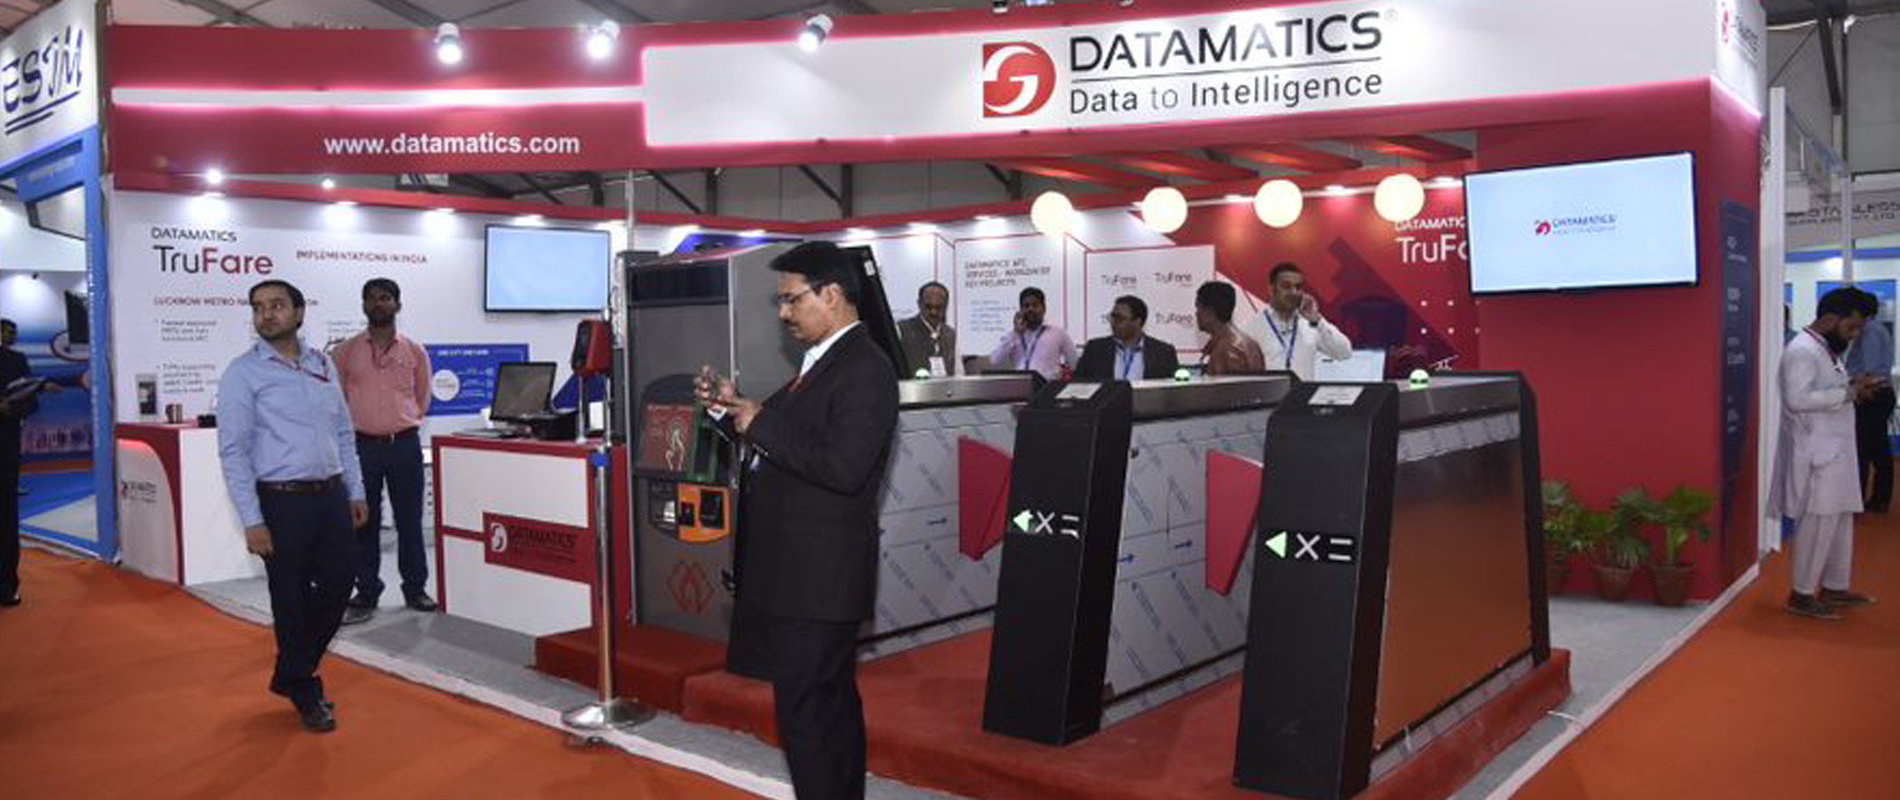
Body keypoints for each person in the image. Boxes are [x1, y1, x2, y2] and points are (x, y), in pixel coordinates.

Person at [695, 242, 898, 800]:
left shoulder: (865, 369)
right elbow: (785, 435)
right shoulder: (821, 363)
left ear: (831, 295)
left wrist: (758, 420)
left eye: (791, 299)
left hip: (818, 580)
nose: (783, 313)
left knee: (810, 717)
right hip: (799, 576)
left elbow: (842, 466)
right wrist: (731, 408)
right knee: (823, 708)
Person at [217, 280, 369, 731]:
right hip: (281, 503)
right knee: (291, 600)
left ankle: (291, 672)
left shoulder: (322, 364)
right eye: (258, 307)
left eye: (277, 305)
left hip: (332, 496)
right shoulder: (242, 374)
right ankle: (304, 689)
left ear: (299, 313)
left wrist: (356, 491)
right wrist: (252, 520)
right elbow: (234, 453)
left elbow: (343, 432)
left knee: (340, 585)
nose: (266, 314)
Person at [1769, 287, 1881, 620]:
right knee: (1817, 524)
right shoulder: (1802, 351)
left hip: (1835, 452)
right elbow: (1797, 399)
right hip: (1818, 455)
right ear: (1832, 319)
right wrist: (1847, 393)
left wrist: (1851, 388)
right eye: (1851, 327)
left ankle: (1834, 586)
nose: (1854, 334)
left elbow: (1822, 391)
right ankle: (1802, 593)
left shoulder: (1824, 349)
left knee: (1840, 522)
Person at [331, 278, 436, 625]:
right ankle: (366, 591)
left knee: (409, 521)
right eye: (372, 298)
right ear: (363, 306)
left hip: (404, 445)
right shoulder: (345, 352)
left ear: (397, 305)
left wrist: (402, 421)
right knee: (364, 523)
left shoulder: (414, 351)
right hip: (361, 447)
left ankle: (415, 588)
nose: (378, 303)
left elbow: (422, 397)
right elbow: (336, 400)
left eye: (385, 298)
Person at [1237, 262, 1352, 380]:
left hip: (1304, 392)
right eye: (1286, 286)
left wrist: (1317, 320)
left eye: (1298, 287)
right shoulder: (1250, 328)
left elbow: (1344, 353)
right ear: (1271, 290)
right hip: (1268, 392)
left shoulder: (1311, 325)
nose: (1294, 292)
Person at [1845, 289, 1895, 512]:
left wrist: (1849, 380)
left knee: (1864, 449)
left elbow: (1870, 368)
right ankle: (1879, 499)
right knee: (1878, 449)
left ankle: (1861, 499)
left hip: (1872, 393)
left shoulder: (1870, 331)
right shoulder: (1875, 329)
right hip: (1878, 393)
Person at [1074, 295, 1180, 381]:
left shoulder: (1163, 352)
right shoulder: (1094, 349)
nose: (1113, 323)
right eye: (1112, 317)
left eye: (1119, 318)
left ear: (1137, 322)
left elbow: (1172, 392)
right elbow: (1077, 385)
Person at [987, 286, 1076, 380]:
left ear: (1044, 308)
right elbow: (994, 361)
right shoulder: (1013, 336)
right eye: (1026, 306)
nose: (1030, 309)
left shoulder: (1058, 333)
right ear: (1021, 310)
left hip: (1047, 386)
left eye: (1035, 305)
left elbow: (1074, 364)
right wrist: (1015, 333)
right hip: (1018, 386)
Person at [1, 319, 27, 607]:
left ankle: (6, 585)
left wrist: (10, 407)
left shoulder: (14, 361)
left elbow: (26, 402)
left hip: (4, 449)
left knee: (5, 515)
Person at [1195, 282, 1266, 376]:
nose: (1196, 314)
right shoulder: (1252, 344)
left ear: (1209, 311)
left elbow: (1234, 386)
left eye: (1198, 307)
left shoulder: (1226, 350)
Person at [896, 281, 958, 379]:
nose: (933, 312)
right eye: (928, 307)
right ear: (919, 304)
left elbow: (958, 373)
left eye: (938, 307)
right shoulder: (901, 330)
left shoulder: (950, 334)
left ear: (946, 306)